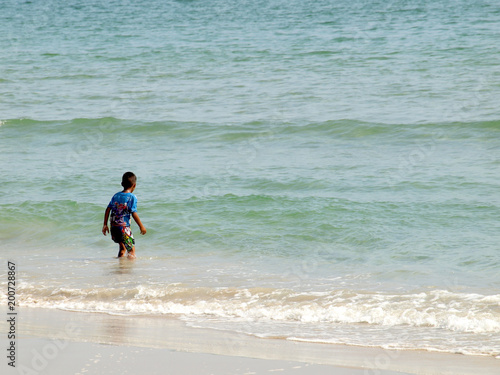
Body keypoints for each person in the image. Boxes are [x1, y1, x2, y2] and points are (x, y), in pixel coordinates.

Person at [102, 172, 146, 259]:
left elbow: (108, 209)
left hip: (114, 228)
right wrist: (141, 226)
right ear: (134, 185)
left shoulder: (116, 195)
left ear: (122, 184)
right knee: (131, 250)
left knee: (122, 248)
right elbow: (133, 213)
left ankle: (120, 267)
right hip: (123, 228)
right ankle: (129, 270)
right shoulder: (131, 197)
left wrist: (105, 224)